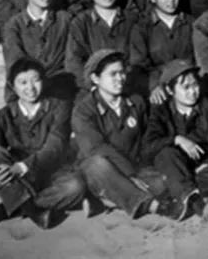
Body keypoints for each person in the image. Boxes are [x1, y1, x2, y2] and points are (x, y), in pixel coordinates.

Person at [72, 50, 187, 220]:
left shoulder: (136, 102)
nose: (120, 78)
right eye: (113, 74)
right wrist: (129, 174)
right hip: (101, 172)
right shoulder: (83, 110)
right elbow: (96, 148)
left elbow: (147, 140)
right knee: (97, 164)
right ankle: (153, 205)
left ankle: (108, 199)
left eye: (122, 72)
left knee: (165, 181)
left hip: (135, 170)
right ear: (95, 78)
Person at [0, 58, 86, 228]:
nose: (30, 88)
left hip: (50, 171)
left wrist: (20, 168)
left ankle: (14, 206)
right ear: (12, 86)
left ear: (44, 81)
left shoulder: (60, 108)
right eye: (23, 82)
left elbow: (55, 148)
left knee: (75, 187)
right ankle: (34, 210)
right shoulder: (2, 115)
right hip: (16, 177)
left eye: (36, 80)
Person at [142, 60, 208, 222]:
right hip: (174, 166)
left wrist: (207, 162)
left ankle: (181, 195)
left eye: (195, 85)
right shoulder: (161, 110)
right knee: (165, 155)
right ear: (170, 90)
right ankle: (197, 203)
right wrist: (177, 139)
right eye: (186, 87)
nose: (193, 92)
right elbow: (148, 147)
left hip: (203, 169)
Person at [2, 0, 73, 102]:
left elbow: (72, 57)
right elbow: (15, 62)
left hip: (60, 84)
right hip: (28, 85)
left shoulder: (65, 19)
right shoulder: (14, 25)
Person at [65, 0, 138, 89]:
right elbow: (74, 61)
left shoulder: (132, 19)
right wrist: (92, 85)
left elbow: (139, 58)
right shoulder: (80, 22)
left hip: (127, 83)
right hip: (93, 86)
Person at [129, 0, 195, 105]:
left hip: (189, 83)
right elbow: (139, 64)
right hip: (159, 85)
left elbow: (198, 57)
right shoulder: (142, 27)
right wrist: (154, 85)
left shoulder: (191, 23)